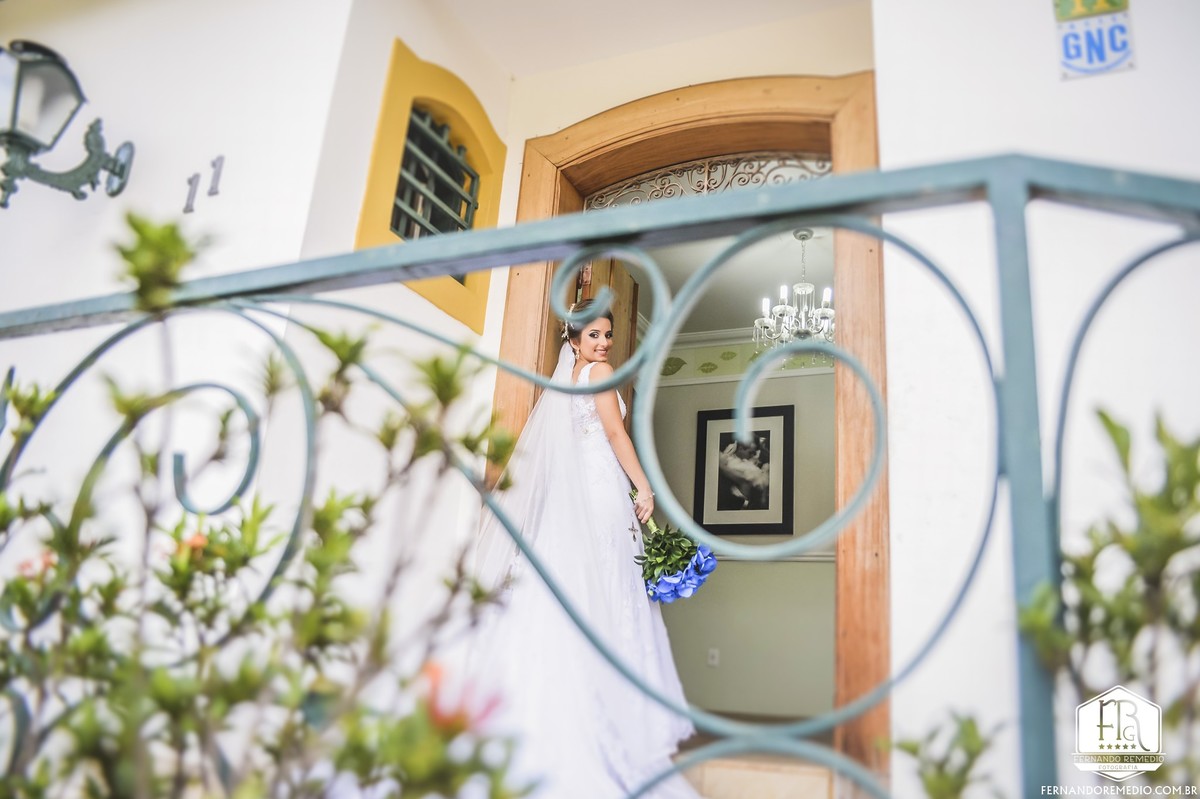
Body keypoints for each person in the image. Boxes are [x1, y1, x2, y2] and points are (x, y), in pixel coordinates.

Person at [466, 299, 702, 799]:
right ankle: (604, 713)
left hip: (579, 496)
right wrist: (644, 487)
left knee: (574, 583)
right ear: (573, 339)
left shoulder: (566, 379)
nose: (602, 343)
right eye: (592, 335)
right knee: (607, 583)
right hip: (599, 494)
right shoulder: (598, 372)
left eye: (606, 336)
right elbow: (615, 433)